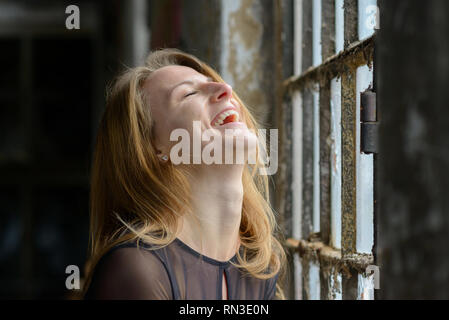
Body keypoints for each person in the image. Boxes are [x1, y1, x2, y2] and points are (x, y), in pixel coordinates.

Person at [81, 48, 287, 300]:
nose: (226, 89)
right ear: (153, 148)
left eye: (213, 83)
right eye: (189, 93)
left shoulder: (259, 266)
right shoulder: (137, 270)